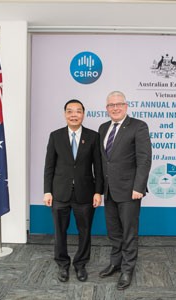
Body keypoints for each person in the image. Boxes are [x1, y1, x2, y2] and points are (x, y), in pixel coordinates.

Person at [43, 99, 103, 282]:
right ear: (65, 114)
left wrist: (98, 192)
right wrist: (47, 191)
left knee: (85, 231)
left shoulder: (93, 136)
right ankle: (62, 264)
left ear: (83, 114)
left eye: (78, 111)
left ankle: (80, 264)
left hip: (85, 193)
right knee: (60, 231)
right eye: (70, 111)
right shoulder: (55, 136)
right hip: (60, 193)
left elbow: (99, 168)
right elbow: (49, 166)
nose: (74, 114)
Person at [98, 91, 152, 290]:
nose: (115, 108)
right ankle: (115, 262)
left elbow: (144, 159)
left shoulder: (138, 126)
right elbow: (104, 161)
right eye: (111, 105)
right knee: (113, 230)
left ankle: (128, 269)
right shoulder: (103, 128)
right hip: (109, 190)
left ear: (126, 106)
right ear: (107, 108)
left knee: (129, 232)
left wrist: (139, 186)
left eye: (119, 104)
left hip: (130, 191)